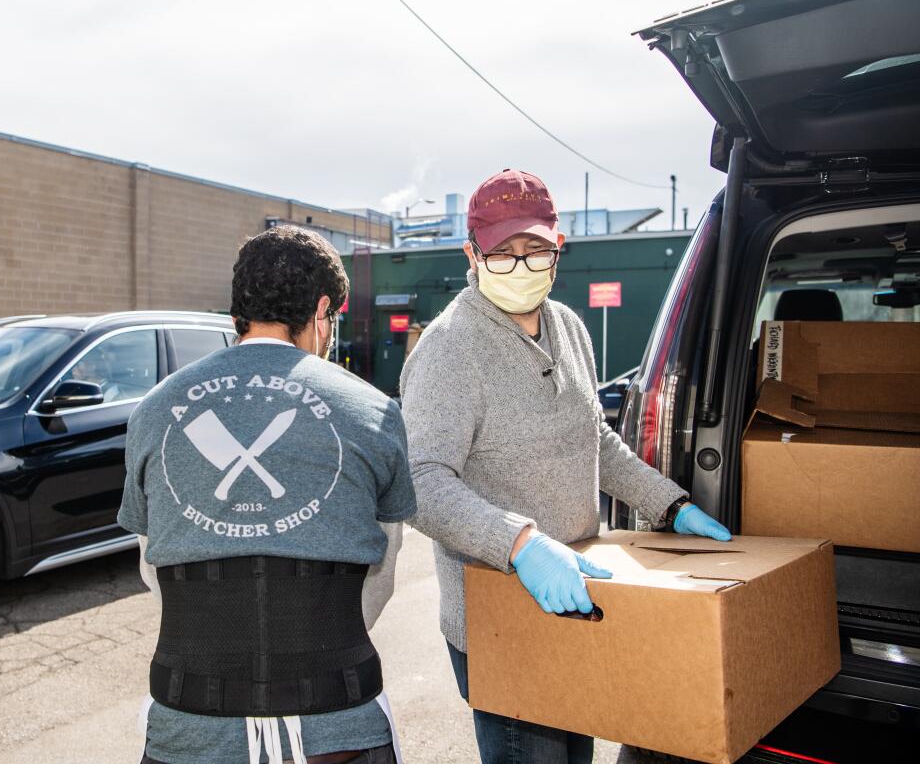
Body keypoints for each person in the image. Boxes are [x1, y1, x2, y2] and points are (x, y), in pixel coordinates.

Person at [400, 169, 731, 764]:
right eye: (503, 253)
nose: (520, 266)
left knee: (579, 751)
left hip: (579, 595)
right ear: (471, 255)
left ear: (559, 248)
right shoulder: (450, 347)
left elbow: (595, 439)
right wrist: (521, 543)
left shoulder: (569, 327)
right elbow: (420, 481)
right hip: (503, 614)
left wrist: (670, 504)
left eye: (535, 250)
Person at [119, 225, 415, 764]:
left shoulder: (153, 412)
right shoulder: (373, 411)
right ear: (322, 310)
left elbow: (151, 565)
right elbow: (384, 568)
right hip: (339, 723)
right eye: (334, 322)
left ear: (239, 311)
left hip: (187, 728)